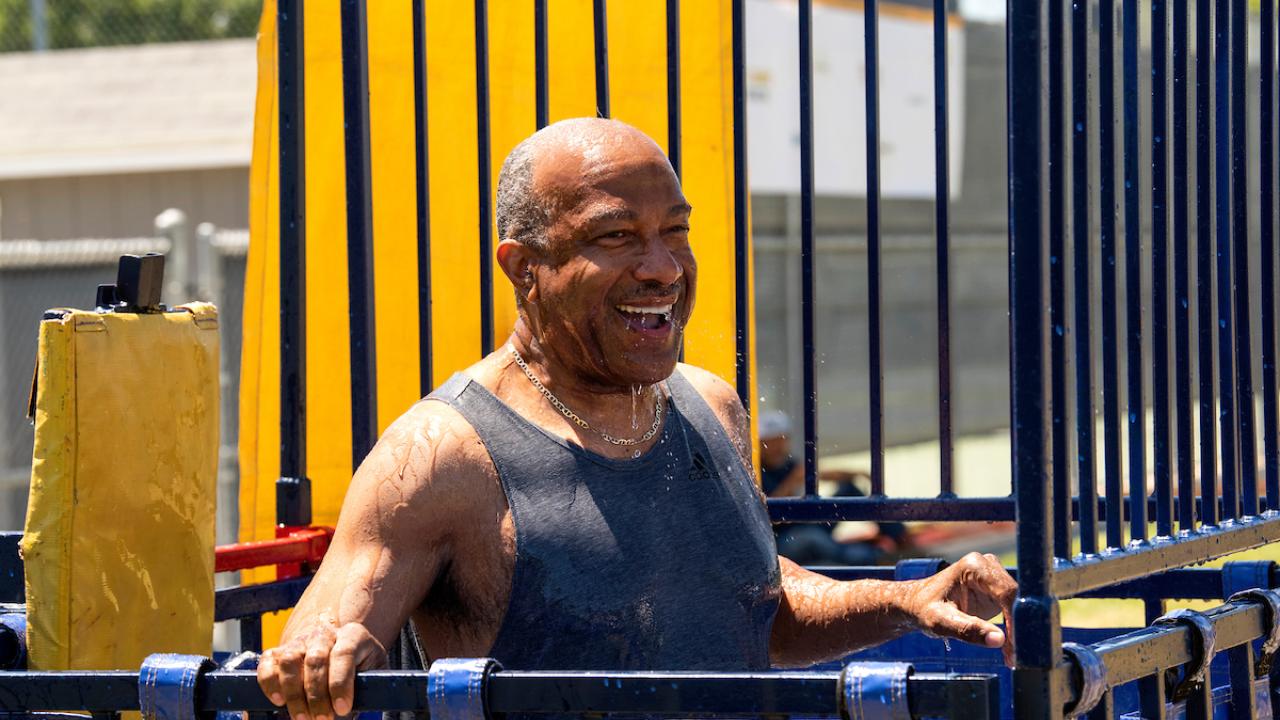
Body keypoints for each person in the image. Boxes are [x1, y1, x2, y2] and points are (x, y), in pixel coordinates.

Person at [256, 118, 1017, 720]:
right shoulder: (441, 455)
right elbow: (315, 647)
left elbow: (755, 609)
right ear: (525, 268)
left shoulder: (708, 404)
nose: (662, 267)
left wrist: (903, 601)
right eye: (616, 236)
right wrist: (328, 652)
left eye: (675, 232)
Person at [757, 411, 906, 565]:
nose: (777, 446)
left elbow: (820, 473)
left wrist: (855, 473)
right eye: (770, 442)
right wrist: (793, 481)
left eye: (781, 439)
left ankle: (899, 535)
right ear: (759, 443)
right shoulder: (756, 470)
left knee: (848, 490)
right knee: (812, 537)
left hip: (805, 526)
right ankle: (871, 558)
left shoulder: (788, 463)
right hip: (781, 541)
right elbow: (763, 516)